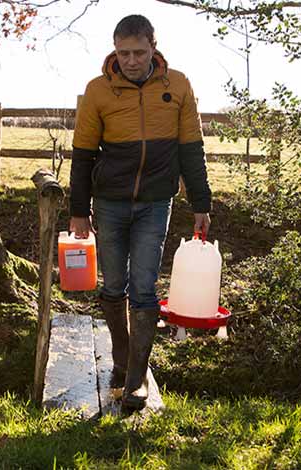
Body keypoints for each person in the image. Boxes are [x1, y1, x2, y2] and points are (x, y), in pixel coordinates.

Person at [69, 14, 212, 411]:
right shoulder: (98, 91)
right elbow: (82, 155)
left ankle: (136, 381)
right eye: (123, 53)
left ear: (153, 46)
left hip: (156, 203)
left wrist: (202, 202)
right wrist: (79, 211)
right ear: (115, 51)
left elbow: (191, 150)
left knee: (144, 286)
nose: (131, 60)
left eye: (138, 52)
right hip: (110, 203)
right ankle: (120, 357)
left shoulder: (178, 85)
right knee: (114, 285)